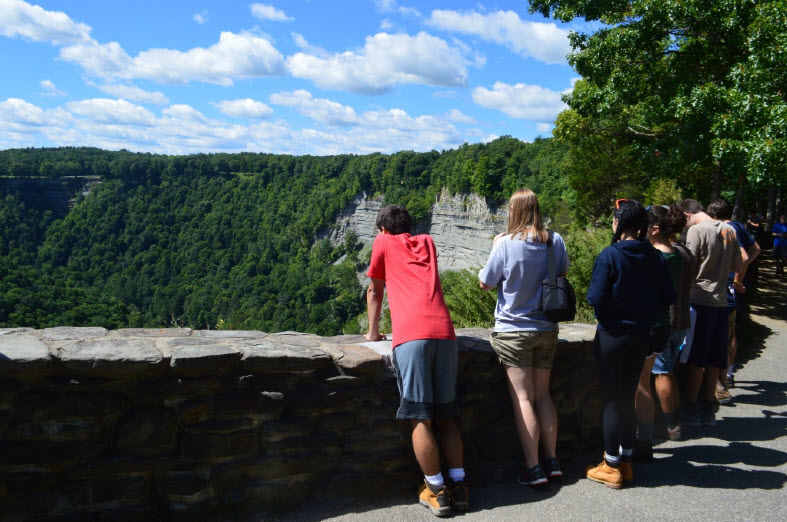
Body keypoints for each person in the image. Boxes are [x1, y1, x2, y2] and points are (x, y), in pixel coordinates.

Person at [365, 204, 468, 516]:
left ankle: (436, 490)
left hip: (412, 335)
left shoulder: (381, 242)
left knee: (419, 417)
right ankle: (460, 487)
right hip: (445, 334)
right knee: (446, 415)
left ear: (382, 229)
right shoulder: (428, 242)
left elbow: (375, 290)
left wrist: (373, 333)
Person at [478, 188, 569, 487]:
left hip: (513, 330)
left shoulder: (505, 244)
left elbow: (485, 284)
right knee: (543, 394)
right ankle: (552, 460)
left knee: (523, 397)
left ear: (514, 211)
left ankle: (533, 467)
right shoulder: (555, 240)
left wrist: (494, 246)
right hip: (546, 329)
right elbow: (563, 273)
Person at [586, 199, 676, 489]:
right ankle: (626, 461)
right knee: (626, 396)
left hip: (613, 336)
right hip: (642, 336)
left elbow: (596, 297)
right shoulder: (655, 257)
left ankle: (611, 465)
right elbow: (668, 297)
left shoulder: (610, 255)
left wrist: (611, 318)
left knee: (613, 399)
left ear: (618, 224)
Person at [677, 199, 743, 427]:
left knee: (697, 357)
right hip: (722, 301)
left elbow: (689, 263)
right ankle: (708, 406)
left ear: (687, 215)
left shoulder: (696, 230)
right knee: (716, 356)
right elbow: (739, 264)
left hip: (700, 299)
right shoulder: (729, 230)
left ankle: (691, 406)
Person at [633, 204, 687, 459]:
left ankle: (642, 440)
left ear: (655, 228)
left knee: (641, 383)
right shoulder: (676, 254)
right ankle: (648, 435)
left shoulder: (654, 257)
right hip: (663, 323)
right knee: (652, 376)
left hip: (646, 325)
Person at [706, 199, 760, 400]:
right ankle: (728, 372)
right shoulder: (738, 226)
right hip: (733, 286)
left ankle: (721, 381)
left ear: (713, 216)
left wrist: (736, 277)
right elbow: (756, 249)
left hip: (727, 285)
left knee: (723, 333)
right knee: (731, 332)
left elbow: (744, 256)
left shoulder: (725, 228)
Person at [651, 210, 695, 442]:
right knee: (670, 368)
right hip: (682, 319)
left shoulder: (662, 255)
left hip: (666, 320)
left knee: (661, 371)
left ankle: (671, 425)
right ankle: (676, 413)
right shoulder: (685, 252)